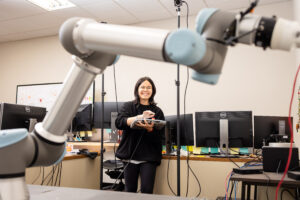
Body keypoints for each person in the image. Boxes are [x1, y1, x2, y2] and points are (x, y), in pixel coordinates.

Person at [115, 76, 165, 194]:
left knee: (147, 191)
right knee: (130, 192)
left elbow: (160, 137)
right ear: (137, 89)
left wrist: (150, 129)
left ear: (153, 91)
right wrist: (139, 118)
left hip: (149, 157)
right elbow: (119, 122)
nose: (145, 90)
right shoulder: (128, 106)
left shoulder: (157, 111)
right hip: (129, 156)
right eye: (142, 87)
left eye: (149, 87)